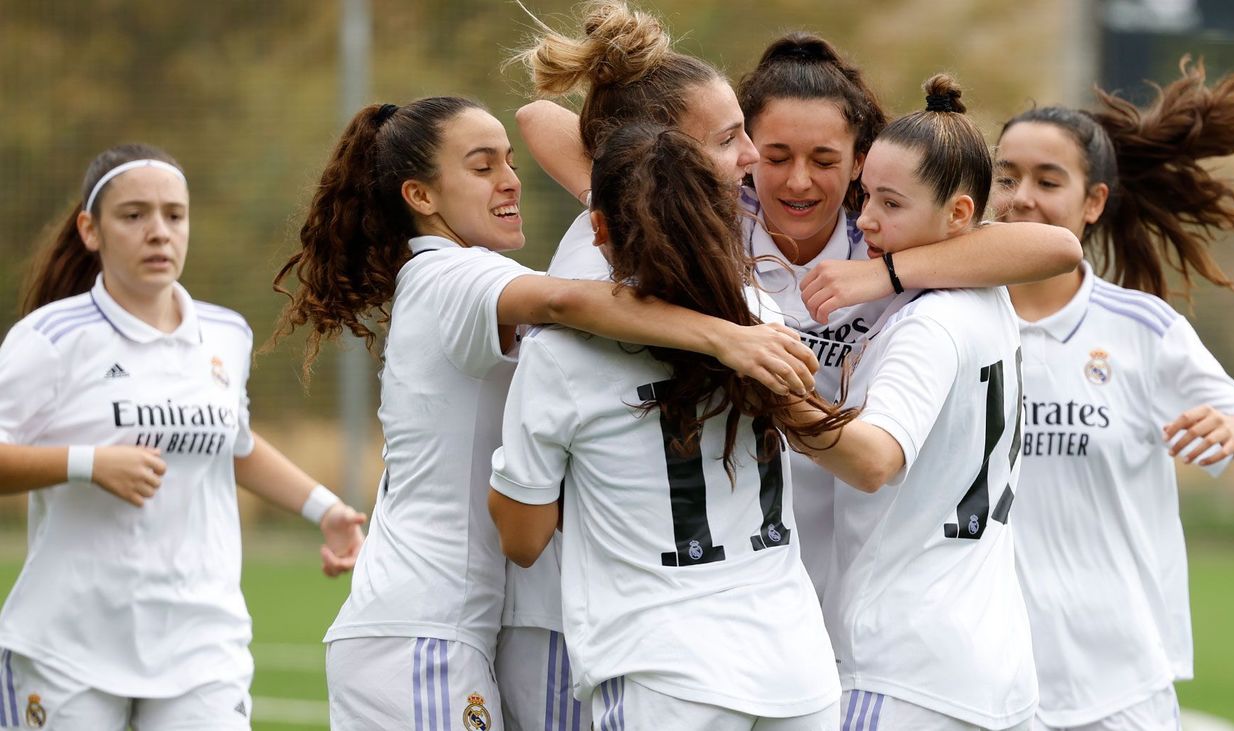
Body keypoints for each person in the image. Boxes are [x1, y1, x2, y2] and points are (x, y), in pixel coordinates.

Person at [270, 96, 819, 730]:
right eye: (481, 167)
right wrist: (724, 334)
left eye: (508, 161)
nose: (510, 179)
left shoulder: (467, 277)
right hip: (422, 622)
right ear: (420, 197)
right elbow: (564, 300)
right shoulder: (446, 275)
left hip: (457, 623)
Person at [514, 10, 1082, 601]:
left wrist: (881, 274)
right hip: (726, 561)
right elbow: (538, 117)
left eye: (825, 160)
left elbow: (1055, 248)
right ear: (745, 147)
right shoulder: (711, 220)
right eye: (777, 156)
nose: (798, 182)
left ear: (860, 158)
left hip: (840, 559)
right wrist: (631, 193)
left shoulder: (887, 229)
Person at [488, 120, 891, 731]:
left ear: (599, 229)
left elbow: (523, 540)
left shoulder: (560, 355)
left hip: (664, 674)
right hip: (795, 669)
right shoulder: (758, 315)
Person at [0, 143, 366, 730]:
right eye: (133, 215)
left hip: (201, 643)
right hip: (68, 647)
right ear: (90, 231)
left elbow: (235, 445)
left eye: (174, 214)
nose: (158, 232)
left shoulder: (226, 333)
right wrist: (87, 463)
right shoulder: (49, 338)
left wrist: (325, 509)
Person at [991, 57, 1234, 730]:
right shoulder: (952, 320)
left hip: (1120, 682)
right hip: (989, 677)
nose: (1021, 197)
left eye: (1047, 179)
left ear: (1092, 203)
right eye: (1006, 177)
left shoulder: (1142, 330)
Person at [820, 75, 1036, 730]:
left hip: (902, 668)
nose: (866, 219)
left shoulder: (929, 324)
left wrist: (780, 394)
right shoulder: (990, 297)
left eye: (891, 202)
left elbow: (875, 460)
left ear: (960, 216)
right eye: (865, 197)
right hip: (994, 667)